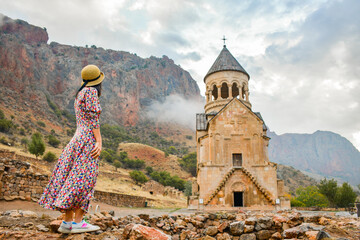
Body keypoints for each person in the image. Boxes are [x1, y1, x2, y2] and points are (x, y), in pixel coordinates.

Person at [39, 65, 105, 233]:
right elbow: (93, 119)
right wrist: (99, 140)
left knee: (72, 176)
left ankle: (67, 222)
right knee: (85, 179)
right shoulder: (90, 93)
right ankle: (78, 222)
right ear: (98, 82)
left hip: (77, 139)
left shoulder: (80, 93)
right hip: (87, 139)